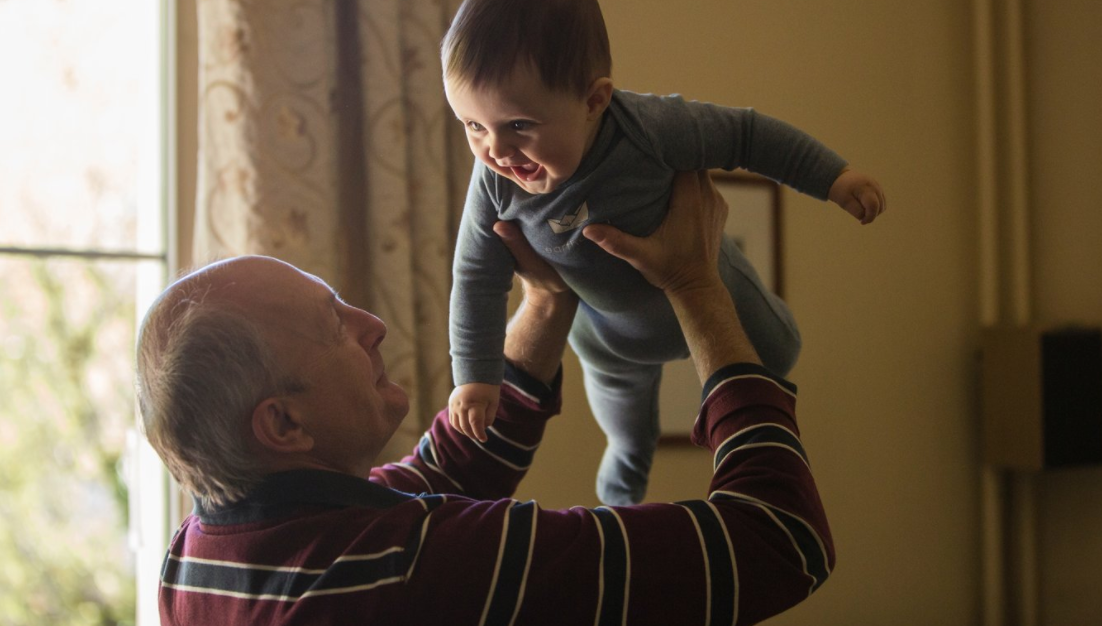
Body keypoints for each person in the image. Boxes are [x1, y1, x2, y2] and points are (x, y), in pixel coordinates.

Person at [137, 171, 835, 626]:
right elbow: (778, 540)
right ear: (283, 423)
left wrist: (547, 298)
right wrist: (696, 285)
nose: (372, 327)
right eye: (334, 326)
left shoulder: (199, 556)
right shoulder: (417, 569)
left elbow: (443, 472)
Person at [444, 0, 886, 504]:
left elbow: (747, 135)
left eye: (518, 125)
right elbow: (475, 276)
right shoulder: (493, 182)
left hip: (712, 285)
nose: (496, 150)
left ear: (593, 102)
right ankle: (620, 503)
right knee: (629, 436)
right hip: (609, 339)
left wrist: (834, 177)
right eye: (472, 125)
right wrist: (475, 376)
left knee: (780, 353)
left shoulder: (649, 129)